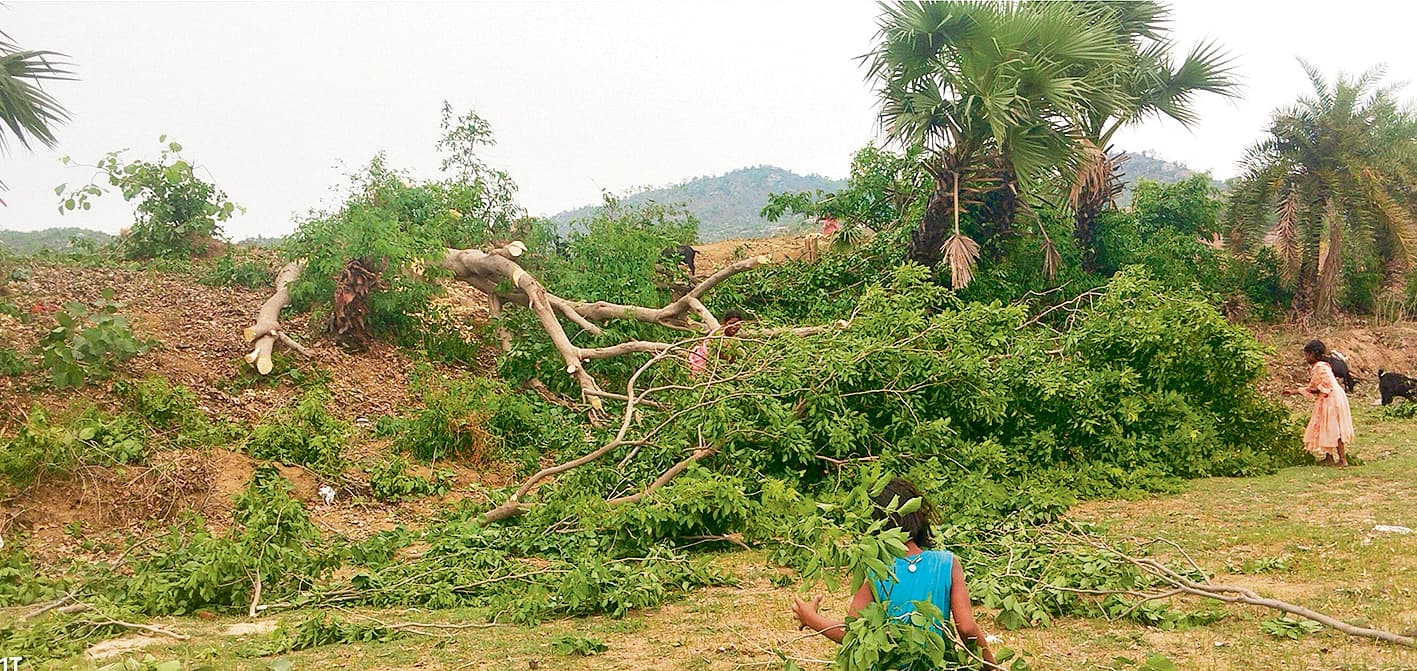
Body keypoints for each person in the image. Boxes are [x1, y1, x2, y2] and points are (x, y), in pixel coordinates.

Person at [789, 478, 997, 668]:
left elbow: (852, 632)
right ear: (917, 515)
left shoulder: (876, 569)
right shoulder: (947, 563)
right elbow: (967, 628)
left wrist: (811, 618)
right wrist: (991, 665)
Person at [1282, 339, 1355, 467]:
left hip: (1332, 398)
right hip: (1331, 396)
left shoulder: (1320, 367)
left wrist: (1296, 391)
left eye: (1306, 355)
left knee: (1333, 428)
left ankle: (1342, 460)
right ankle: (1330, 457)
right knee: (1326, 426)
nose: (1305, 358)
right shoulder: (1323, 366)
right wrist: (1296, 391)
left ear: (1312, 354)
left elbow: (1318, 387)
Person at [689, 310, 744, 377]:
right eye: (731, 323)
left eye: (737, 325)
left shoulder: (735, 338)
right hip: (704, 364)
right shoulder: (718, 334)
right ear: (725, 323)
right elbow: (710, 355)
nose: (734, 327)